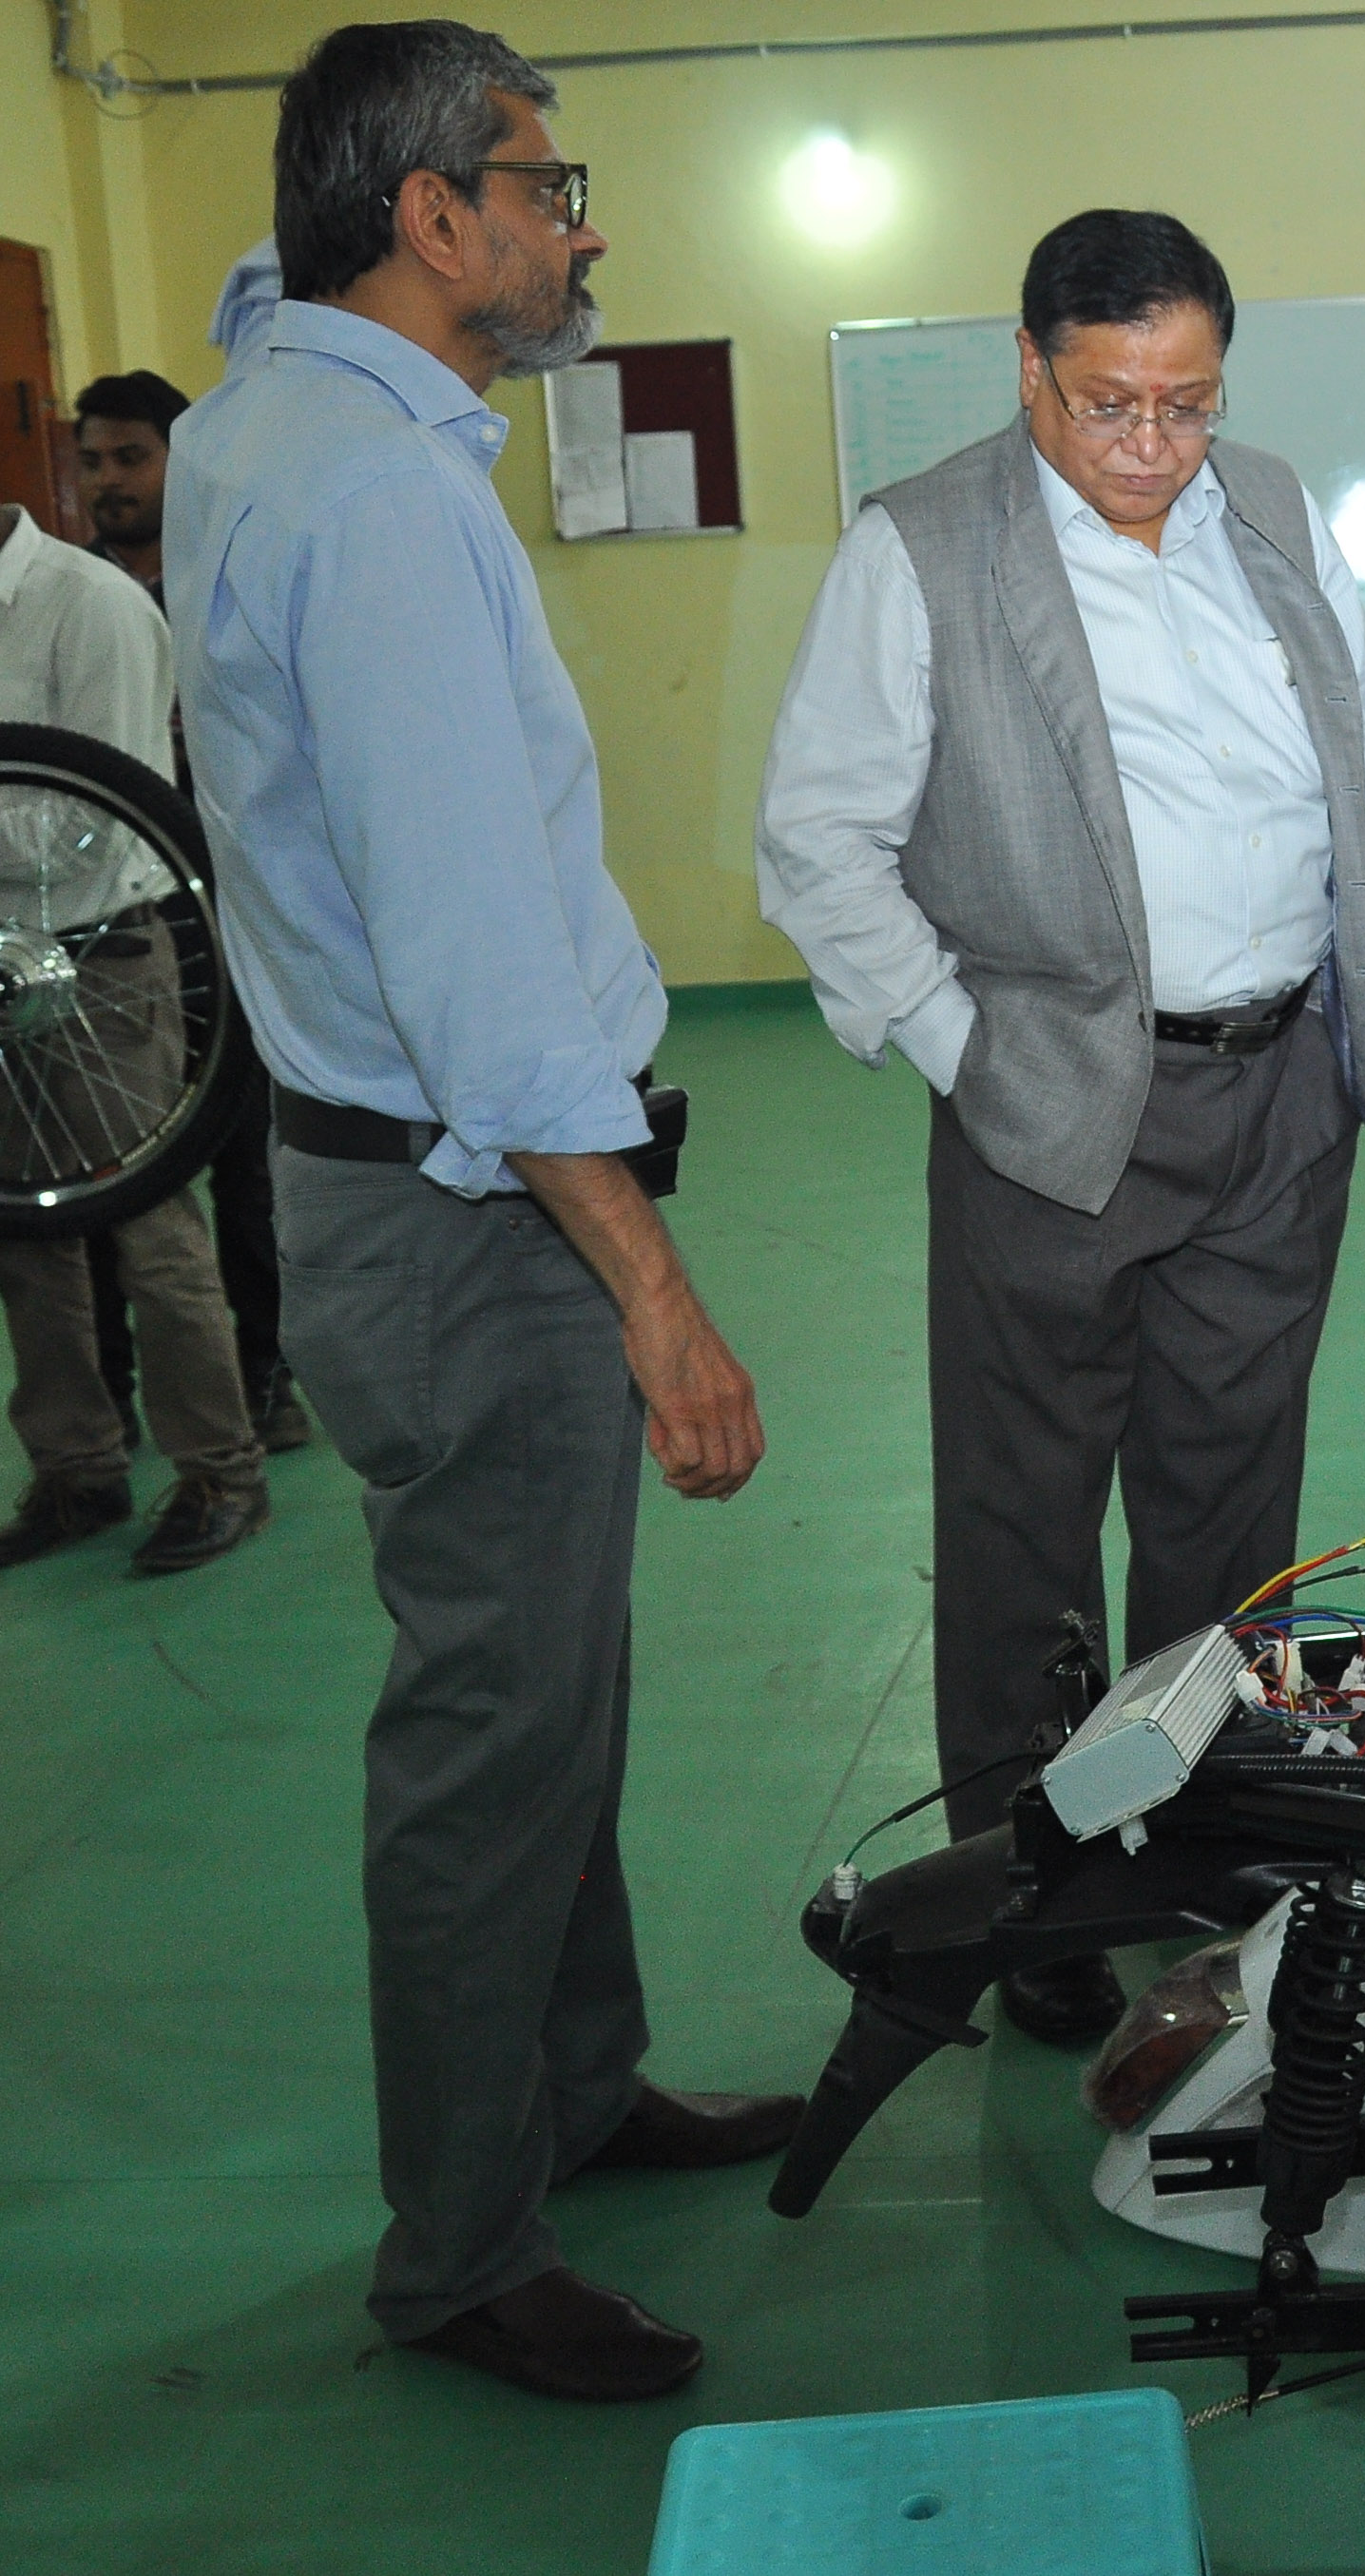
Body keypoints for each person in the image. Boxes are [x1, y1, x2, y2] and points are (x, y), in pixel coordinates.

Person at [165, 20, 794, 2403]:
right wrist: (652, 1287)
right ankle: (461, 2246)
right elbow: (473, 966)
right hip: (471, 1219)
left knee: (556, 1699)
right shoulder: (383, 505)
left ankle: (582, 2079)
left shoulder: (271, 401)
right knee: (487, 1738)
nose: (581, 223)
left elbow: (272, 260)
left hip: (376, 1189)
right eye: (545, 183)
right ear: (427, 222)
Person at [757, 208, 1365, 2049]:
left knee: (1228, 1503)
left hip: (1277, 1087)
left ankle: (1197, 1835)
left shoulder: (1270, 505)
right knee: (1023, 1507)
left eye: (1186, 402)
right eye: (1110, 401)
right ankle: (1023, 1881)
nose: (1150, 443)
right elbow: (820, 840)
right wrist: (971, 1051)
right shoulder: (923, 544)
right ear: (1032, 367)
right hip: (1053, 1098)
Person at [0, 490, 273, 1574]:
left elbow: (87, 816)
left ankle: (221, 1472)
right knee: (25, 1236)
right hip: (3, 966)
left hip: (99, 956)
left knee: (151, 1231)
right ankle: (77, 1469)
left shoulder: (88, 605)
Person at [70, 368, 310, 1460]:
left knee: (243, 1167)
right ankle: (111, 1404)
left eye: (133, 457)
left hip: (228, 922)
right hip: (98, 930)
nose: (110, 481)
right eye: (94, 460)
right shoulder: (62, 604)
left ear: (180, 461)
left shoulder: (231, 586)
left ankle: (264, 1380)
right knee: (100, 1184)